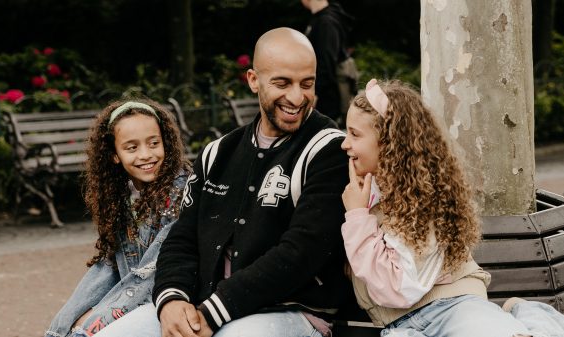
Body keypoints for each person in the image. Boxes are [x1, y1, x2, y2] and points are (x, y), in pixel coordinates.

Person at [100, 27, 352, 337]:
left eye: (307, 84)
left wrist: (212, 312)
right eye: (282, 83)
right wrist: (172, 300)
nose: (297, 97)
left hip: (290, 310)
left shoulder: (330, 150)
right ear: (253, 80)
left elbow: (301, 253)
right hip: (205, 305)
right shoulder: (217, 153)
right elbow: (183, 238)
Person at [340, 78, 564, 336]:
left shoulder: (421, 199)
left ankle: (529, 317)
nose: (344, 144)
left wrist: (358, 217)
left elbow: (396, 288)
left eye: (354, 134)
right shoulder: (366, 190)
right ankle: (527, 318)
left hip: (454, 308)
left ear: (388, 142)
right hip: (400, 326)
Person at [44, 98, 190, 337]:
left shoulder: (179, 193)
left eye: (154, 143)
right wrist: (68, 321)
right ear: (114, 155)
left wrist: (97, 318)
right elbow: (110, 264)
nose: (146, 155)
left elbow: (152, 270)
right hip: (133, 296)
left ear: (167, 143)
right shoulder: (121, 195)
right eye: (132, 148)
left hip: (168, 299)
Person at [301, 0, 357, 125]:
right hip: (324, 92)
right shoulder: (322, 18)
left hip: (327, 96)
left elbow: (326, 62)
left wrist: (316, 93)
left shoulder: (326, 22)